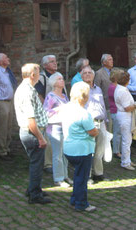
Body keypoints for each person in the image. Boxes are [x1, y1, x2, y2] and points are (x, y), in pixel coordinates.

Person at [48, 81, 99, 212]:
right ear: (85, 97)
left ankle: (74, 199)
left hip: (68, 148)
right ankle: (81, 203)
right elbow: (92, 132)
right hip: (82, 150)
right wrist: (96, 129)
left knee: (77, 175)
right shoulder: (84, 113)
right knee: (82, 178)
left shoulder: (66, 108)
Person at [14, 63, 51, 204]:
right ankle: (35, 195)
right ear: (32, 75)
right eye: (38, 72)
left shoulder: (28, 88)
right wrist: (40, 138)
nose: (40, 75)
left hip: (31, 133)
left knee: (35, 163)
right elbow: (31, 120)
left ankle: (33, 189)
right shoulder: (27, 92)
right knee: (37, 164)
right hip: (32, 134)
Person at [35, 55, 67, 174]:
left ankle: (60, 163)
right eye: (52, 62)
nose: (55, 63)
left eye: (55, 61)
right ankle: (48, 163)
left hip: (61, 115)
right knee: (49, 139)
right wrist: (48, 108)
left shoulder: (58, 76)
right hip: (49, 113)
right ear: (45, 65)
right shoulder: (42, 77)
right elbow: (40, 94)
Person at [43, 73, 71, 187]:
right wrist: (58, 110)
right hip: (55, 128)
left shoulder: (65, 96)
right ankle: (58, 178)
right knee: (57, 154)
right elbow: (45, 113)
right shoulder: (50, 96)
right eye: (59, 79)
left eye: (62, 78)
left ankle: (65, 175)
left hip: (66, 127)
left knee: (65, 154)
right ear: (54, 82)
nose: (62, 81)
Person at [81, 66, 108, 183]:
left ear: (93, 75)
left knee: (99, 150)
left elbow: (102, 105)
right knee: (88, 151)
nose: (88, 75)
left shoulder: (98, 89)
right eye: (85, 73)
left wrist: (105, 121)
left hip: (101, 122)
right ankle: (87, 176)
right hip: (89, 123)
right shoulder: (80, 89)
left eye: (90, 73)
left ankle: (98, 173)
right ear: (81, 76)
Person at [0, 53, 17, 161]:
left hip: (9, 102)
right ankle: (1, 151)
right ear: (1, 61)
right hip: (1, 102)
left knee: (9, 126)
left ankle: (7, 148)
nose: (8, 59)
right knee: (2, 127)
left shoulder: (7, 72)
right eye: (6, 58)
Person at [114, 71, 136, 170]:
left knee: (127, 140)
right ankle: (125, 162)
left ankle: (127, 159)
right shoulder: (122, 91)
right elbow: (127, 107)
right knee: (126, 140)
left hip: (124, 115)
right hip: (125, 116)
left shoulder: (121, 88)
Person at [95, 54, 114, 131]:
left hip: (116, 103)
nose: (112, 61)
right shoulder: (99, 73)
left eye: (112, 59)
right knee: (108, 127)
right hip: (106, 104)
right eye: (110, 60)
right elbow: (97, 88)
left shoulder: (114, 71)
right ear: (104, 62)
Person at [108, 69, 122, 159]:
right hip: (115, 111)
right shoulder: (113, 87)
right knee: (117, 132)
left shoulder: (117, 86)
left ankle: (119, 149)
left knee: (119, 132)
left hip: (118, 111)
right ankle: (116, 151)